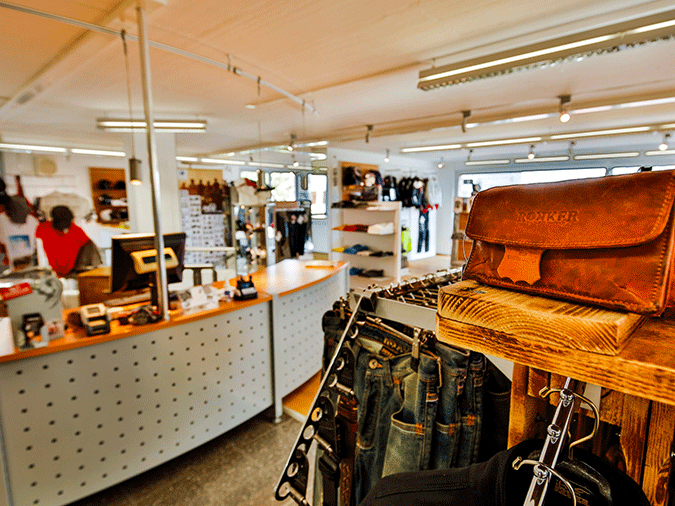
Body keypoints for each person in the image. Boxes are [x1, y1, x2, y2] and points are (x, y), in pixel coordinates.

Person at [35, 205, 99, 277]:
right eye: (61, 221)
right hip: (48, 273)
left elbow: (90, 249)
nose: (64, 225)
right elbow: (38, 251)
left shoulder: (76, 231)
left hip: (73, 274)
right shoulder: (43, 229)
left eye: (66, 221)